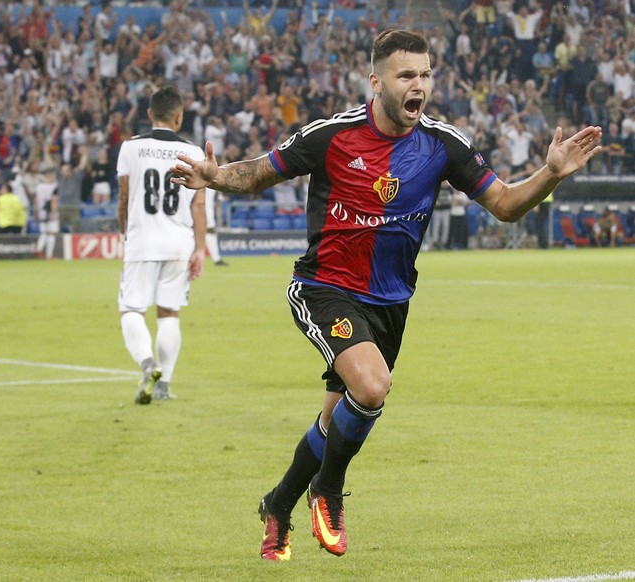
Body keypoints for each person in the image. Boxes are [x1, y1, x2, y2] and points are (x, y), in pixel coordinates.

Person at [171, 30, 601, 561]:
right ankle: (326, 493)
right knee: (372, 387)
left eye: (425, 75)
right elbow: (258, 174)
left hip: (390, 305)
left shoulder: (444, 145)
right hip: (324, 288)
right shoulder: (332, 136)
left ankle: (277, 505)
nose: (418, 85)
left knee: (335, 421)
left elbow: (507, 205)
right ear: (376, 82)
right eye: (406, 76)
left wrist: (550, 174)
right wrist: (215, 177)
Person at [116, 86, 207, 405]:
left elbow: (124, 197)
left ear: (150, 114)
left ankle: (147, 365)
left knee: (131, 308)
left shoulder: (131, 147)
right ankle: (164, 384)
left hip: (142, 238)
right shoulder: (194, 152)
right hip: (179, 241)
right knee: (169, 313)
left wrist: (126, 235)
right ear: (179, 116)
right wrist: (199, 248)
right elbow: (199, 206)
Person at [205, 186, 227, 266]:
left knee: (210, 231)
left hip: (206, 208)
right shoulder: (209, 178)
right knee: (210, 231)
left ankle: (216, 259)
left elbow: (219, 198)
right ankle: (216, 259)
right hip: (202, 208)